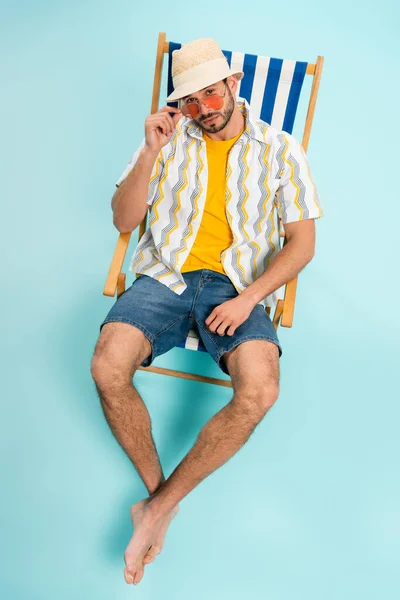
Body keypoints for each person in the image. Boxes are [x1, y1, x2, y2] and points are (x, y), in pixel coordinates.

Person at [90, 37, 323, 586]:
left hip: (236, 288)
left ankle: (155, 508)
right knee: (106, 366)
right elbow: (125, 222)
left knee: (261, 389)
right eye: (190, 102)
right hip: (165, 279)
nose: (205, 110)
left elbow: (302, 244)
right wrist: (148, 151)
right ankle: (159, 504)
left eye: (213, 95)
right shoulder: (168, 141)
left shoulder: (280, 148)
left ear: (234, 85)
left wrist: (248, 298)